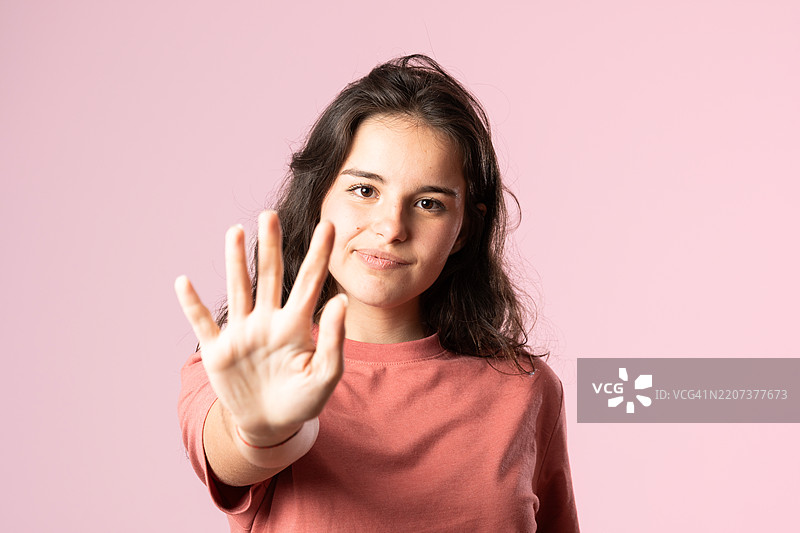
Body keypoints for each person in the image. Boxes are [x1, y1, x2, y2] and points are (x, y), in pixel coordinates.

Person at [176, 54, 579, 532]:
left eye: (428, 203)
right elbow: (233, 458)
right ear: (319, 196)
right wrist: (260, 430)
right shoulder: (243, 366)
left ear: (464, 230)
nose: (391, 228)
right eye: (365, 191)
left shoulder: (527, 388)